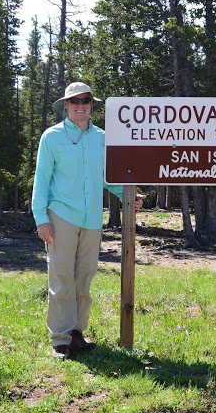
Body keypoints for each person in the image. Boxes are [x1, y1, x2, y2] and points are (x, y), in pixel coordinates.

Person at [32, 82, 145, 359]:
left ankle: (77, 336)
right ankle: (60, 339)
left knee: (83, 278)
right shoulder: (51, 137)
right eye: (75, 101)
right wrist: (41, 219)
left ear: (91, 105)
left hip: (93, 218)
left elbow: (109, 176)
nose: (80, 105)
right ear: (66, 106)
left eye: (85, 100)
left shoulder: (102, 138)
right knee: (61, 277)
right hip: (60, 216)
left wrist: (130, 196)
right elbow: (42, 179)